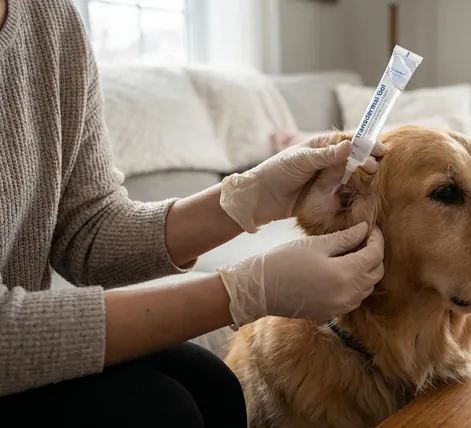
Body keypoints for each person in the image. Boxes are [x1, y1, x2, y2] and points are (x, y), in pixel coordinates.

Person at [0, 1, 386, 427]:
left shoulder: (50, 18)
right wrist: (244, 293)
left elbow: (88, 230)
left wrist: (248, 196)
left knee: (208, 381)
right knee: (163, 410)